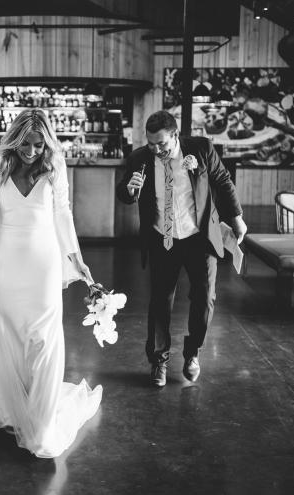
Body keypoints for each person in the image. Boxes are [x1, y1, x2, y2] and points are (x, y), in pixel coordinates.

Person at [0, 109, 102, 459]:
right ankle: (7, 407)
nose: (32, 151)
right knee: (6, 333)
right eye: (25, 144)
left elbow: (63, 213)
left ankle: (39, 417)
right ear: (14, 138)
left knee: (43, 338)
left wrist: (74, 256)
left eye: (39, 145)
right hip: (5, 260)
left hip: (44, 262)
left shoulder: (56, 164)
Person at [116, 110, 247, 387]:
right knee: (161, 300)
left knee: (205, 297)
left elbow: (223, 181)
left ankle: (193, 353)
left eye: (161, 144)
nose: (156, 149)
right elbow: (124, 193)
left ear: (175, 135)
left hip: (199, 236)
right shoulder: (140, 158)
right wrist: (129, 190)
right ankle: (159, 360)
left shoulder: (201, 149)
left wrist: (237, 219)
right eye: (151, 143)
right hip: (163, 238)